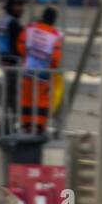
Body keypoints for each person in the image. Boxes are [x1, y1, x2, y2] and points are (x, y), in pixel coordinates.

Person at [18, 7, 64, 135]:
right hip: (43, 74)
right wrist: (51, 69)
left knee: (26, 98)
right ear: (54, 20)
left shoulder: (30, 28)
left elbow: (21, 46)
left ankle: (26, 125)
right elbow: (56, 58)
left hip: (28, 70)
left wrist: (28, 57)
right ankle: (38, 126)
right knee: (42, 101)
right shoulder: (55, 35)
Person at [0, 0, 26, 132]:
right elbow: (21, 45)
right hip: (14, 64)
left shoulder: (2, 21)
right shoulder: (14, 23)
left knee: (10, 97)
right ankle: (6, 128)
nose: (20, 9)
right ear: (11, 7)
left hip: (5, 62)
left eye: (21, 5)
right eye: (17, 5)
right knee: (14, 99)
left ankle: (4, 127)